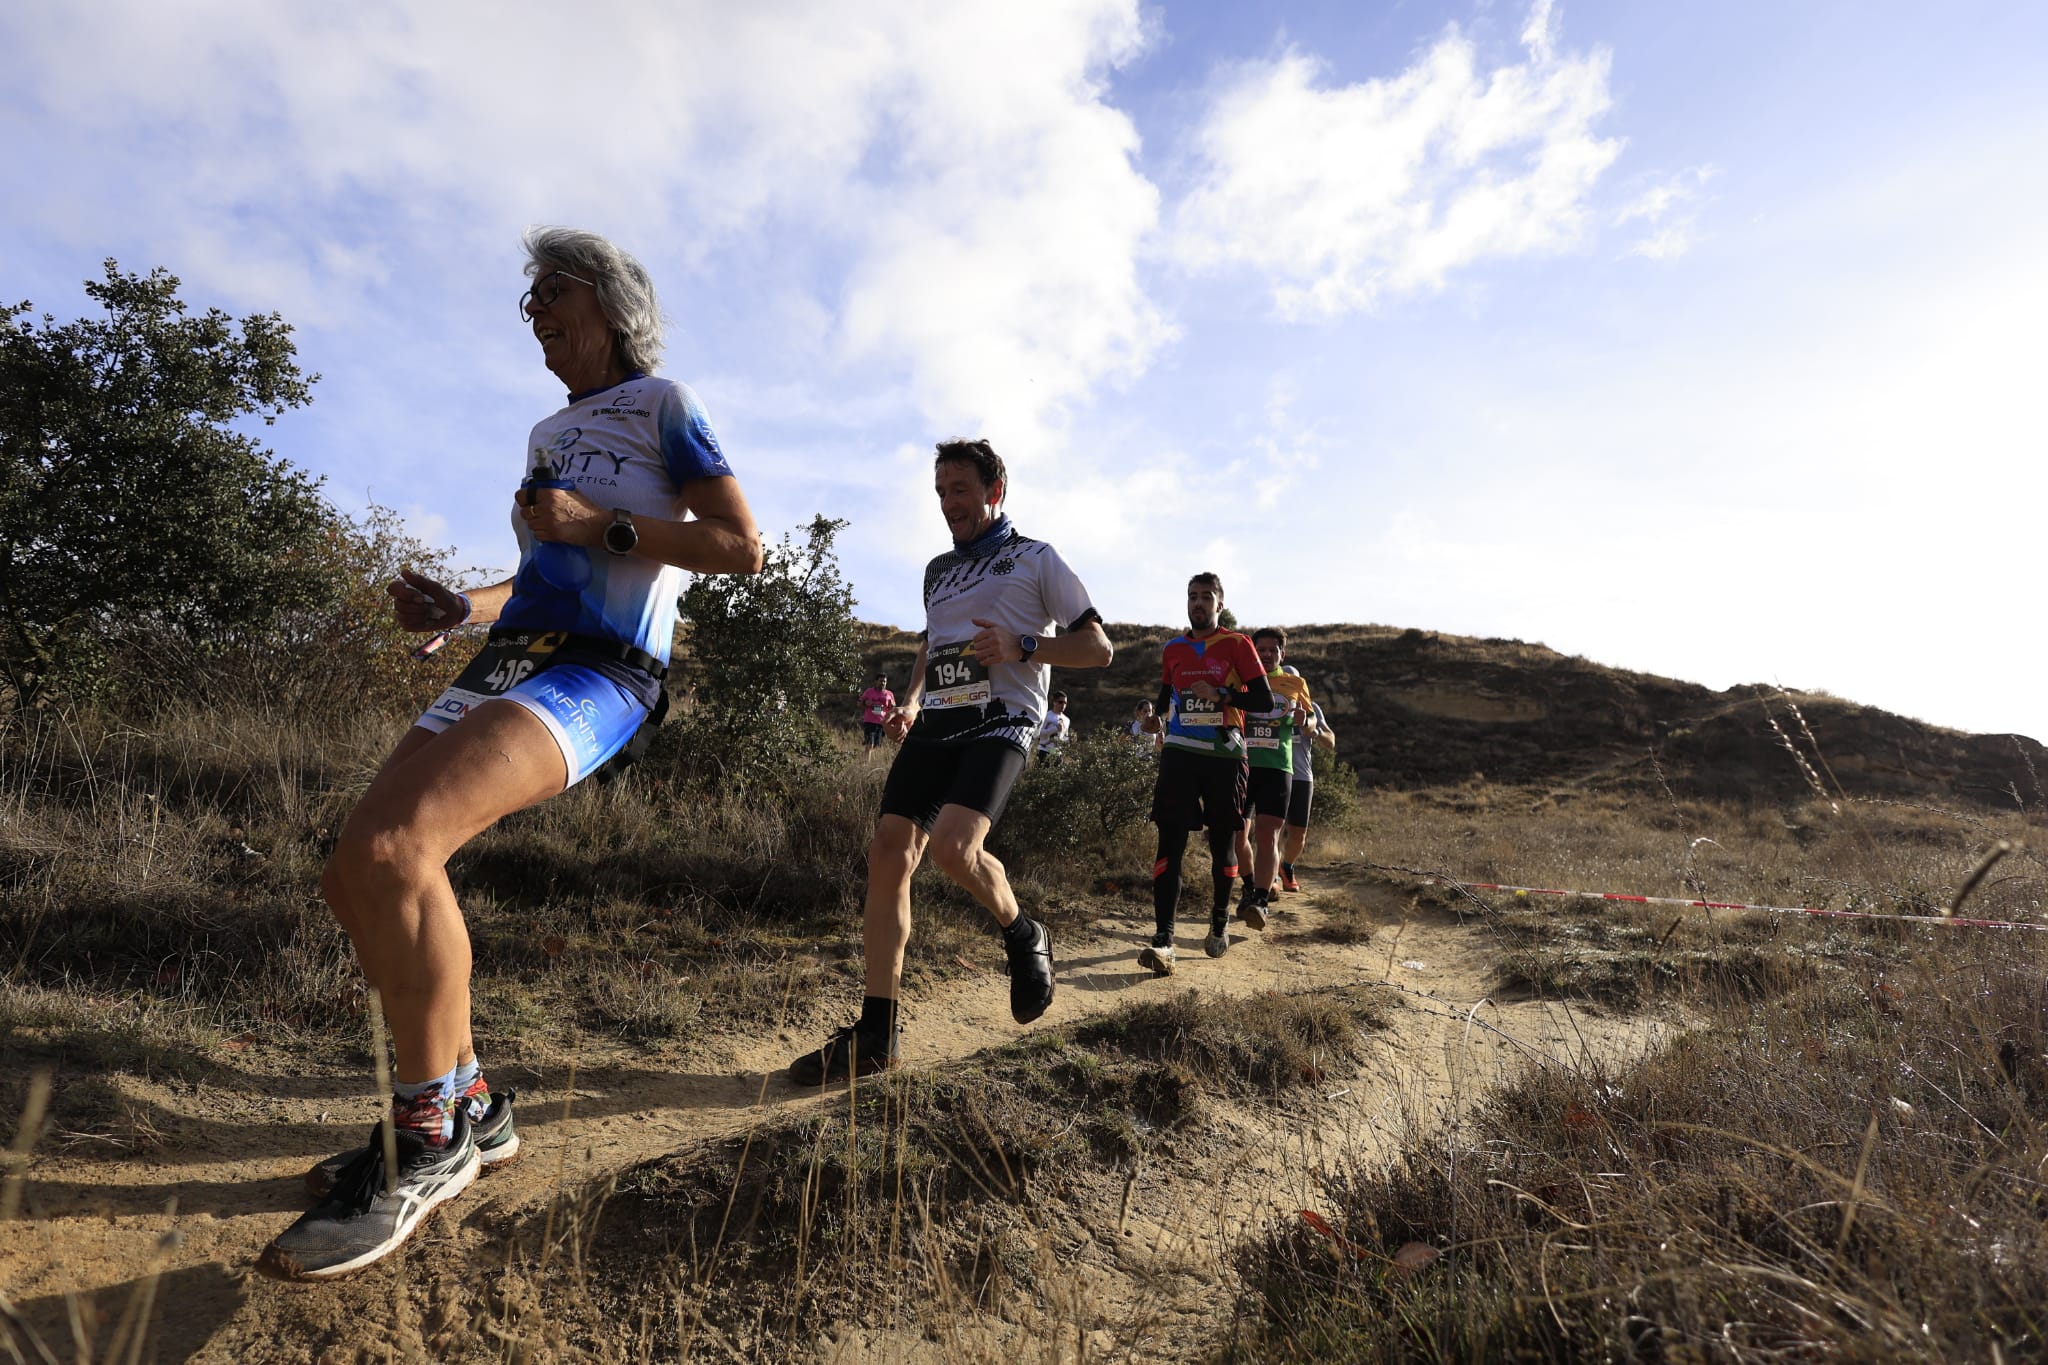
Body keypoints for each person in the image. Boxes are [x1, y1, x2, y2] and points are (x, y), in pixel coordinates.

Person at [257, 228, 763, 1282]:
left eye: (552, 291)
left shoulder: (665, 404)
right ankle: (471, 1102)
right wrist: (459, 606)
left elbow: (738, 549)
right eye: (525, 298)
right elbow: (537, 569)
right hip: (512, 655)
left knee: (398, 850)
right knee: (354, 872)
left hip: (603, 669)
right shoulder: (545, 433)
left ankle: (429, 1135)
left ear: (612, 304)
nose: (533, 309)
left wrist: (604, 527)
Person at [788, 440, 1112, 1084]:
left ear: (995, 490)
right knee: (888, 852)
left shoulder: (1035, 558)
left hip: (1004, 721)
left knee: (954, 849)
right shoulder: (938, 569)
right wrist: (909, 701)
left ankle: (1023, 933)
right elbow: (932, 645)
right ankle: (877, 1033)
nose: (948, 504)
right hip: (940, 721)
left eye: (960, 489)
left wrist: (1022, 644)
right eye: (940, 492)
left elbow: (1098, 648)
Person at [1137, 574, 1272, 974]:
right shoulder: (1173, 649)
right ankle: (1164, 939)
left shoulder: (1236, 644)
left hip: (1224, 755)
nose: (1198, 603)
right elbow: (1163, 700)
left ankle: (1219, 920)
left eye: (1206, 597)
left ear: (1220, 603)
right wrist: (1153, 721)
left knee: (1222, 845)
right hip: (1179, 751)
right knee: (1169, 843)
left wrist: (1224, 696)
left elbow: (1262, 699)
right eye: (1192, 597)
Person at [1235, 628, 1313, 927]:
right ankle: (1248, 885)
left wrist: (1306, 722)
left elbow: (1311, 720)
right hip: (1241, 765)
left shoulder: (1294, 683)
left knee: (1269, 835)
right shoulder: (1241, 678)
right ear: (1253, 652)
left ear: (1283, 654)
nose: (1267, 654)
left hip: (1278, 767)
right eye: (1261, 649)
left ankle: (1260, 901)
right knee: (1238, 834)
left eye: (1273, 650)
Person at [1280, 672, 1336, 893]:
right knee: (1273, 828)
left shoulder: (1311, 707)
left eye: (1293, 683)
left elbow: (1330, 742)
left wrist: (1313, 731)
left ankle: (1287, 866)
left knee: (1298, 833)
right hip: (1273, 770)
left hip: (1302, 776)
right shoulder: (1271, 702)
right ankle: (1271, 877)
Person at [859, 674, 895, 751]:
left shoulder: (889, 694)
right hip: (869, 721)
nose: (882, 683)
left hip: (882, 723)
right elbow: (859, 703)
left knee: (876, 745)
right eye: (881, 681)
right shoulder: (869, 691)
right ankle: (866, 762)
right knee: (870, 744)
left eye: (884, 681)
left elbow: (892, 708)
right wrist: (865, 702)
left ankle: (866, 760)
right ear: (876, 681)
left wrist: (892, 706)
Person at [1034, 691, 1072, 764]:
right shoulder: (1046, 715)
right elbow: (1039, 733)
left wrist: (1066, 741)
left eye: (1065, 703)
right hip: (1044, 751)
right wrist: (1055, 729)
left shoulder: (1067, 720)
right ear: (1054, 702)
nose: (1063, 705)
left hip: (1058, 754)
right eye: (1060, 702)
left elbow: (1065, 736)